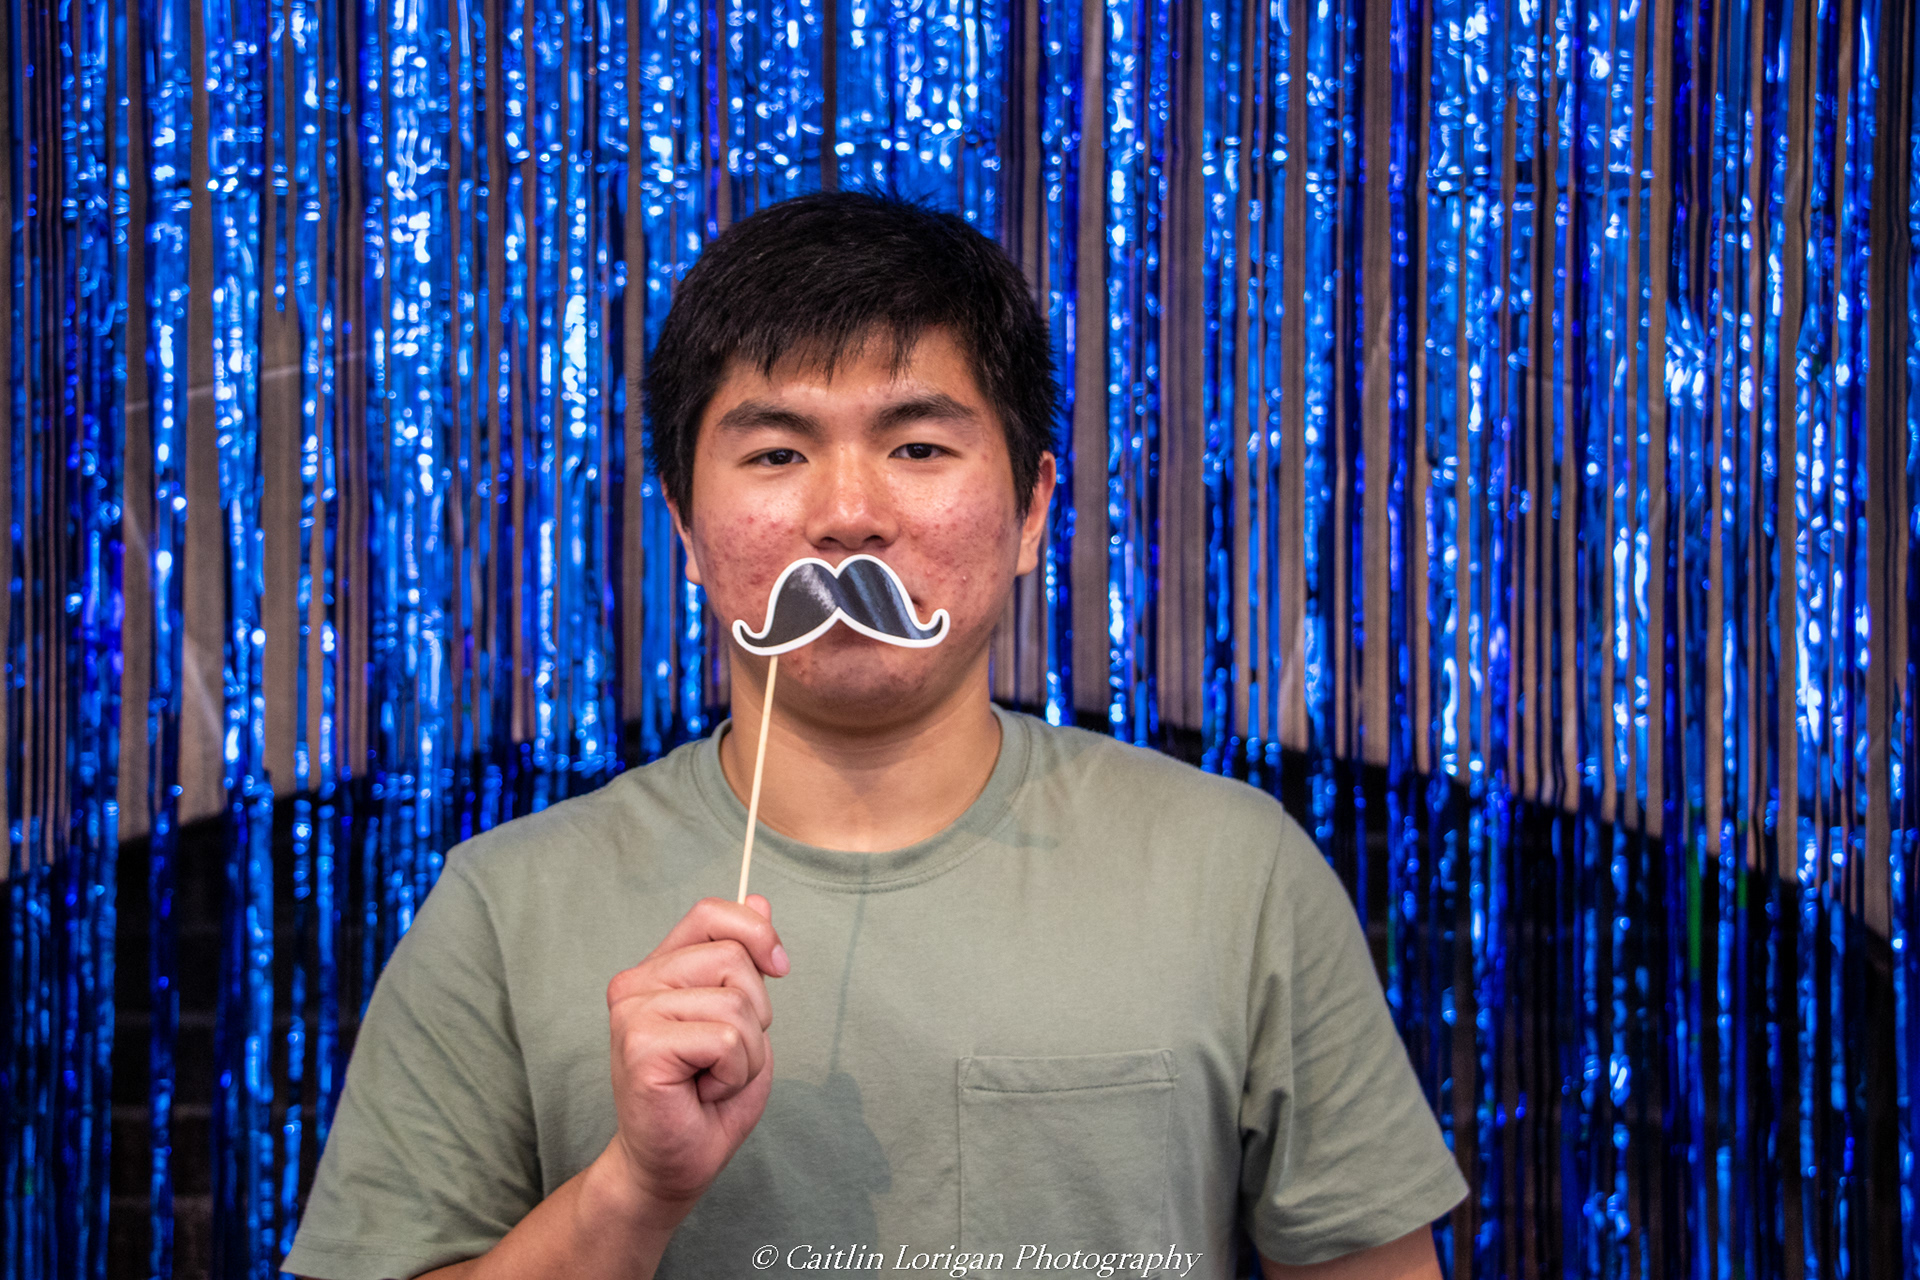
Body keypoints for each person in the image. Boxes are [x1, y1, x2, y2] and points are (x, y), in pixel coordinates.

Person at [281, 192, 1467, 1280]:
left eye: (918, 447)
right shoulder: (503, 908)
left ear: (1032, 508)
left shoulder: (1234, 868)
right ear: (687, 529)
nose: (847, 514)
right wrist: (633, 1189)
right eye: (776, 453)